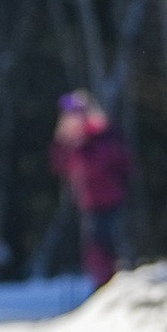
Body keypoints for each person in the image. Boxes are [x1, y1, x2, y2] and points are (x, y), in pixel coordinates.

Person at [51, 90, 132, 290]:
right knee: (94, 245)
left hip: (110, 198)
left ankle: (113, 283)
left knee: (108, 243)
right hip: (88, 201)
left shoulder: (102, 134)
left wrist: (82, 142)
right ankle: (101, 284)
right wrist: (63, 141)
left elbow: (118, 163)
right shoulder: (73, 140)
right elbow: (59, 166)